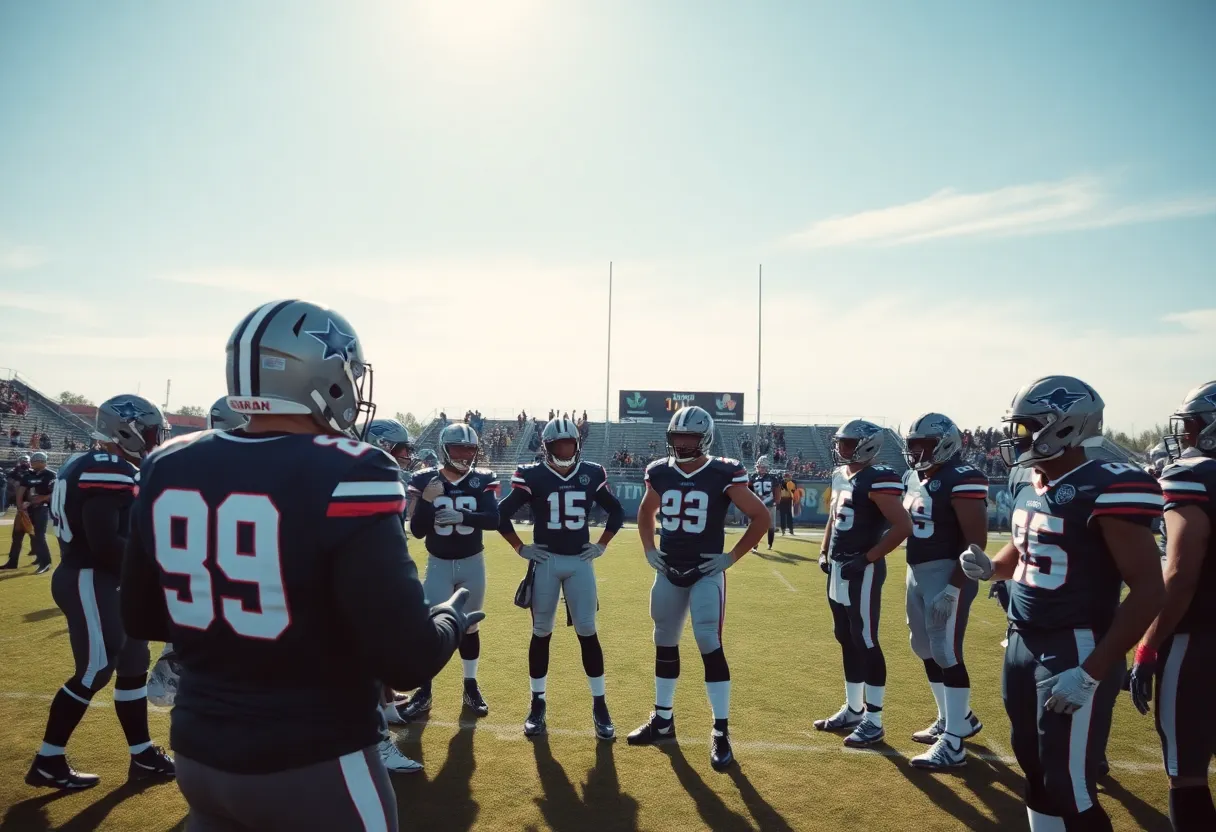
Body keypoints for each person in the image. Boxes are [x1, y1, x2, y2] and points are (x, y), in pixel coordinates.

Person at [120, 299, 477, 830]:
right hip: (315, 758)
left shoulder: (170, 461)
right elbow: (407, 657)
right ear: (323, 375)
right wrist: (448, 618)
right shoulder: (351, 469)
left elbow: (144, 617)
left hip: (199, 752)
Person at [960, 375, 1164, 831]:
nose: (1015, 438)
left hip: (1075, 646)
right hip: (1022, 639)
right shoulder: (1027, 479)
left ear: (1065, 427)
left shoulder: (1108, 484)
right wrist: (992, 568)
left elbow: (1150, 589)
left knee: (1069, 785)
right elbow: (1026, 549)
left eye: (1025, 427)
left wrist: (1091, 673)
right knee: (1034, 771)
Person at [25, 396, 175, 791]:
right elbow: (106, 541)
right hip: (92, 576)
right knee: (95, 669)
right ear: (125, 429)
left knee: (132, 667)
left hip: (104, 578)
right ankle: (48, 760)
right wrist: (152, 574)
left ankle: (142, 754)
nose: (153, 438)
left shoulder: (91, 463)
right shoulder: (106, 468)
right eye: (148, 430)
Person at [627, 406, 770, 772]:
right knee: (664, 640)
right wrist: (648, 549)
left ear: (703, 437)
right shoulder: (659, 471)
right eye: (678, 437)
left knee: (709, 642)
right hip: (669, 569)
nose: (683, 443)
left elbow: (761, 517)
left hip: (706, 571)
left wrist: (731, 557)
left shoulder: (724, 470)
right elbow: (646, 512)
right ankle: (662, 719)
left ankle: (720, 731)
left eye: (689, 437)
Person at [497, 416, 625, 739]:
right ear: (548, 447)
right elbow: (501, 513)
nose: (566, 451)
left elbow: (617, 510)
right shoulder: (533, 475)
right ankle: (537, 704)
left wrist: (602, 545)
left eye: (571, 445)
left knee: (587, 631)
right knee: (541, 632)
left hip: (580, 561)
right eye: (560, 446)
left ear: (578, 446)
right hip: (547, 561)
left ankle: (600, 705)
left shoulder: (592, 473)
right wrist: (520, 548)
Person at [1129, 381, 1216, 831]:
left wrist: (1147, 647)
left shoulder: (1192, 475)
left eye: (1193, 425)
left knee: (1186, 774)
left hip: (1198, 638)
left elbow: (1180, 575)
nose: (1184, 436)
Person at [814, 419, 911, 748]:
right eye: (840, 442)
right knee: (845, 636)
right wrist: (824, 550)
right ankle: (854, 709)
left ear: (866, 445)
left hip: (862, 568)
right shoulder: (840, 475)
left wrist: (868, 558)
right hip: (839, 566)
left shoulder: (879, 477)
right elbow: (832, 517)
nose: (841, 448)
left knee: (866, 638)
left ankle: (874, 719)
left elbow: (902, 526)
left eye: (848, 443)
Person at [397, 421, 500, 722]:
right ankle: (425, 691)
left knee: (470, 627)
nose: (466, 454)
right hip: (438, 564)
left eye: (470, 448)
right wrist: (428, 501)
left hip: (472, 564)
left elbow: (493, 519)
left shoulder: (482, 479)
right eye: (459, 448)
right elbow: (416, 530)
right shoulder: (424, 479)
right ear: (445, 449)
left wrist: (462, 515)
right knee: (430, 629)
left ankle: (470, 685)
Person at [901, 414, 987, 769]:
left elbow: (976, 541)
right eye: (913, 445)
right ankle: (955, 718)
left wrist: (955, 587)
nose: (917, 451)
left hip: (947, 573)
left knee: (946, 651)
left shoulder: (962, 478)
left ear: (945, 444)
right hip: (917, 571)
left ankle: (954, 743)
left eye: (925, 445)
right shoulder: (913, 476)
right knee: (922, 646)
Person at [14, 451, 57, 573]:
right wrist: (20, 507)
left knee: (39, 535)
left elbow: (58, 491)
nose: (31, 463)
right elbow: (21, 490)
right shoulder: (30, 474)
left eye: (34, 461)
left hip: (44, 508)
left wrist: (43, 498)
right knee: (34, 535)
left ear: (42, 462)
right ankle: (40, 558)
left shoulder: (51, 475)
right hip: (30, 508)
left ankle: (46, 563)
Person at [2, 455, 33, 568]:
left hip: (31, 507)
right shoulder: (14, 472)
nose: (24, 463)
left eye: (26, 461)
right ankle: (13, 560)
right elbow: (10, 481)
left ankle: (41, 558)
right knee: (19, 535)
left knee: (32, 535)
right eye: (22, 461)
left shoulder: (33, 473)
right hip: (20, 506)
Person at [748, 455, 781, 551]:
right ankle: (755, 545)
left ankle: (770, 544)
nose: (762, 469)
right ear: (757, 466)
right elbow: (748, 491)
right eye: (760, 466)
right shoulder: (753, 477)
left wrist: (776, 501)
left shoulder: (773, 478)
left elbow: (777, 490)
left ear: (767, 468)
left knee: (770, 525)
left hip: (769, 504)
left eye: (764, 467)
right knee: (754, 526)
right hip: (757, 505)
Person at [777, 472, 797, 536]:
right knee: (782, 516)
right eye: (785, 477)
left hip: (789, 500)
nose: (786, 478)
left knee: (789, 515)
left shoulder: (792, 482)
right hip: (782, 500)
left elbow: (793, 491)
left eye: (787, 477)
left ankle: (791, 529)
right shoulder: (780, 483)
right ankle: (783, 529)